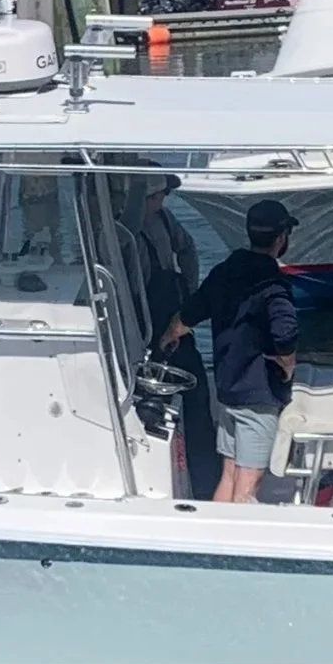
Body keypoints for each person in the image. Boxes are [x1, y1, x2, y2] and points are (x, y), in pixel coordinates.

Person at [158, 198, 300, 503]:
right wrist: (288, 364)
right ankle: (234, 544)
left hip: (227, 390)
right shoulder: (273, 285)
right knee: (248, 484)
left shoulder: (224, 272)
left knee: (230, 474)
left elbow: (187, 316)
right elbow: (285, 331)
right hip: (258, 397)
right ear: (281, 239)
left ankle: (212, 535)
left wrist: (167, 338)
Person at [124, 172, 219, 497]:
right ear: (149, 198)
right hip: (161, 327)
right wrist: (188, 302)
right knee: (191, 396)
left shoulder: (131, 228)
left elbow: (187, 251)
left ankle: (169, 479)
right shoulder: (140, 232)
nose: (164, 199)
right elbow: (188, 252)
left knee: (179, 399)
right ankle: (200, 481)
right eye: (161, 194)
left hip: (155, 325)